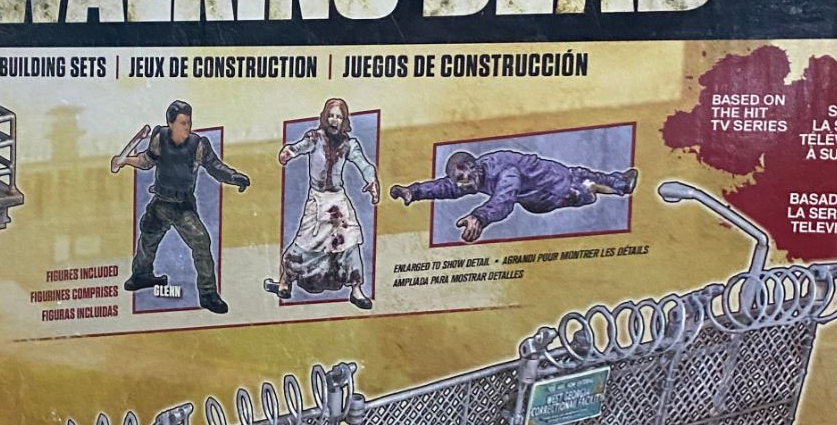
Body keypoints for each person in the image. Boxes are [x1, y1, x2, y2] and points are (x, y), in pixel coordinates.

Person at [113, 101, 249, 315]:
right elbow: (147, 161)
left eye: (189, 122)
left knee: (201, 242)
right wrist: (125, 161)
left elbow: (215, 167)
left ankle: (208, 294)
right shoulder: (160, 137)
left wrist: (233, 177)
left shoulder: (198, 145)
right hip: (160, 203)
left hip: (182, 207)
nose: (187, 127)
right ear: (171, 123)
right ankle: (141, 276)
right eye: (183, 123)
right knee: (148, 238)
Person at [265, 98, 379, 308]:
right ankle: (285, 282)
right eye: (331, 116)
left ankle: (356, 290)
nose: (334, 120)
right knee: (305, 241)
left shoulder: (349, 144)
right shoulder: (315, 137)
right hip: (317, 200)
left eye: (339, 117)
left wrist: (371, 181)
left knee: (349, 242)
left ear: (344, 120)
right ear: (326, 118)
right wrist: (288, 152)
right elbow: (298, 147)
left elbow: (364, 165)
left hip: (338, 202)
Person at [389, 145, 637, 241]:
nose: (463, 186)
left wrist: (480, 217)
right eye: (460, 181)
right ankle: (603, 188)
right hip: (542, 195)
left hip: (554, 187)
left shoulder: (504, 171)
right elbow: (447, 186)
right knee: (582, 180)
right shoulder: (474, 174)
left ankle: (613, 186)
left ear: (475, 167)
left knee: (584, 180)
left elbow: (504, 200)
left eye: (465, 179)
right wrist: (414, 191)